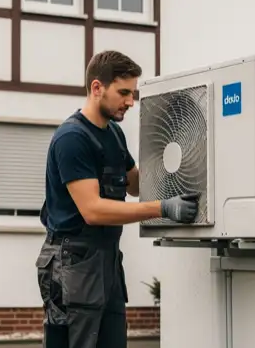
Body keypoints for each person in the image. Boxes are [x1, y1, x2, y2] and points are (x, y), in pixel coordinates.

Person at [36, 50, 200, 348]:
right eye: (123, 92)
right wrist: (162, 208)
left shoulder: (113, 133)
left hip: (107, 259)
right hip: (73, 261)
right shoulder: (72, 139)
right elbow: (93, 210)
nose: (130, 101)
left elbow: (135, 185)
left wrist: (170, 149)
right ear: (97, 88)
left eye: (133, 93)